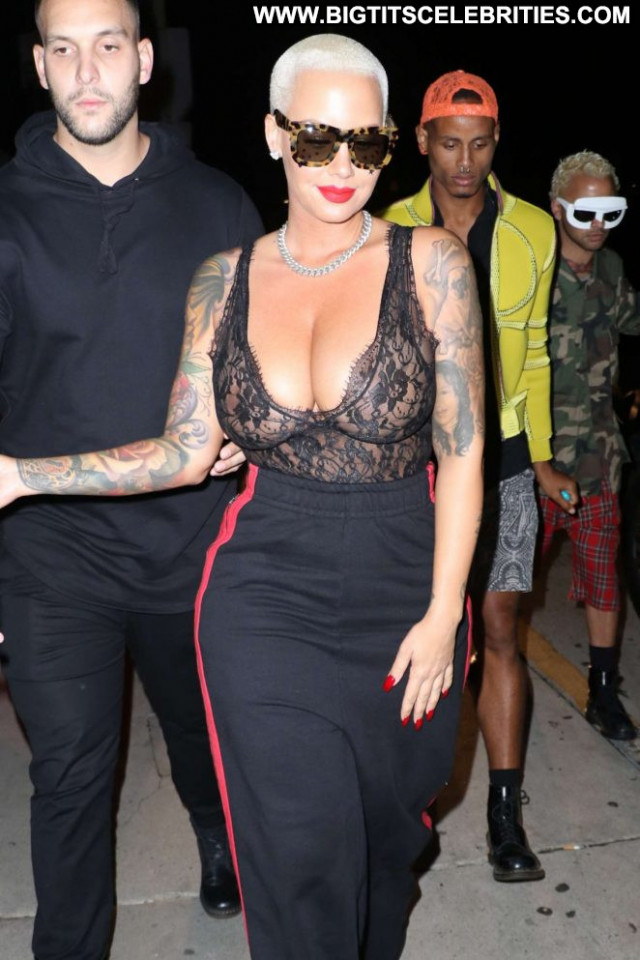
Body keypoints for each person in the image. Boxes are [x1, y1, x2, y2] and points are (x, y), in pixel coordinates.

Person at [0, 33, 484, 960]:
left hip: (403, 588)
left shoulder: (431, 265)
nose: (341, 167)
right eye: (315, 139)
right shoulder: (222, 282)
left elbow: (461, 456)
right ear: (274, 136)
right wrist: (22, 474)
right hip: (262, 597)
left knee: (387, 845)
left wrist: (441, 614)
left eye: (366, 143)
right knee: (300, 852)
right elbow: (183, 453)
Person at [0, 1, 262, 958]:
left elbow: (259, 363)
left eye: (107, 45)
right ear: (39, 66)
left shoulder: (218, 204)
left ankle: (214, 831)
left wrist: (246, 432)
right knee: (70, 776)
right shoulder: (6, 209)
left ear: (144, 59)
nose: (87, 70)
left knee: (200, 736)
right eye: (64, 49)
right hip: (49, 551)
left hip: (191, 544)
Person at [379, 70, 579, 882]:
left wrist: (541, 455)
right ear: (423, 142)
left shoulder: (532, 230)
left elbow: (533, 350)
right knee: (414, 631)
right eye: (450, 144)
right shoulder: (387, 227)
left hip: (502, 462)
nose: (465, 162)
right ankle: (408, 807)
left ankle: (504, 815)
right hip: (410, 464)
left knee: (499, 627)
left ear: (497, 144)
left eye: (481, 144)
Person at [542, 150, 639, 740]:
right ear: (558, 209)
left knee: (605, 578)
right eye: (585, 211)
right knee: (507, 585)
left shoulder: (613, 269)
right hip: (533, 459)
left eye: (611, 210)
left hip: (598, 457)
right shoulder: (531, 269)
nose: (599, 224)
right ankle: (478, 672)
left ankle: (603, 691)